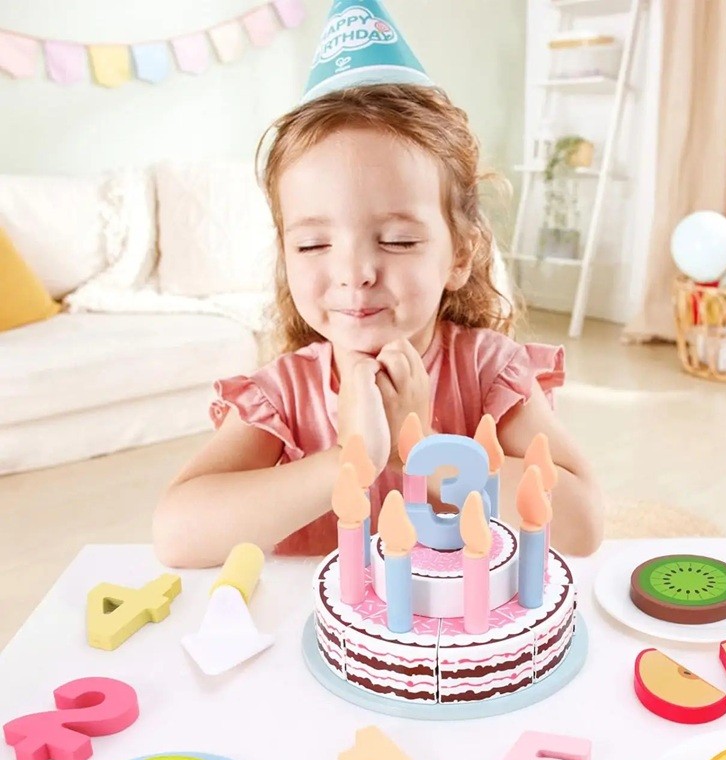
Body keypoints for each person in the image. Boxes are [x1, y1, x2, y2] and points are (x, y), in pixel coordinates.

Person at [153, 0, 603, 567]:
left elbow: (582, 524)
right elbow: (177, 534)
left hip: (458, 618)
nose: (354, 272)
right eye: (313, 244)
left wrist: (422, 449)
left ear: (460, 254)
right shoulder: (285, 395)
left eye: (397, 240)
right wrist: (351, 459)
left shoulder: (489, 372)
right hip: (318, 624)